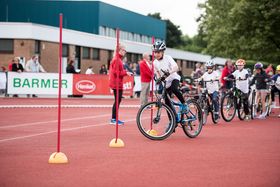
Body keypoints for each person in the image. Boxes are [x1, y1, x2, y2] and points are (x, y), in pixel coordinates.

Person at [153, 40, 188, 124]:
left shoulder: (168, 58)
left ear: (163, 52)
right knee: (167, 103)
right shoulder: (154, 63)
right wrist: (158, 79)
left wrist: (169, 72)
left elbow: (176, 67)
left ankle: (184, 104)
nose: (156, 54)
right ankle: (172, 122)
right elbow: (157, 73)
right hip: (165, 83)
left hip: (174, 78)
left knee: (174, 89)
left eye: (158, 52)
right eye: (155, 52)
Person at [109, 44, 133, 125]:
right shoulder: (116, 59)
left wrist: (125, 72)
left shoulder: (118, 59)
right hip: (116, 83)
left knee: (118, 101)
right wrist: (126, 73)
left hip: (118, 83)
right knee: (117, 101)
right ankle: (113, 119)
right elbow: (116, 72)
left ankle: (114, 118)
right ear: (119, 50)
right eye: (124, 50)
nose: (125, 52)